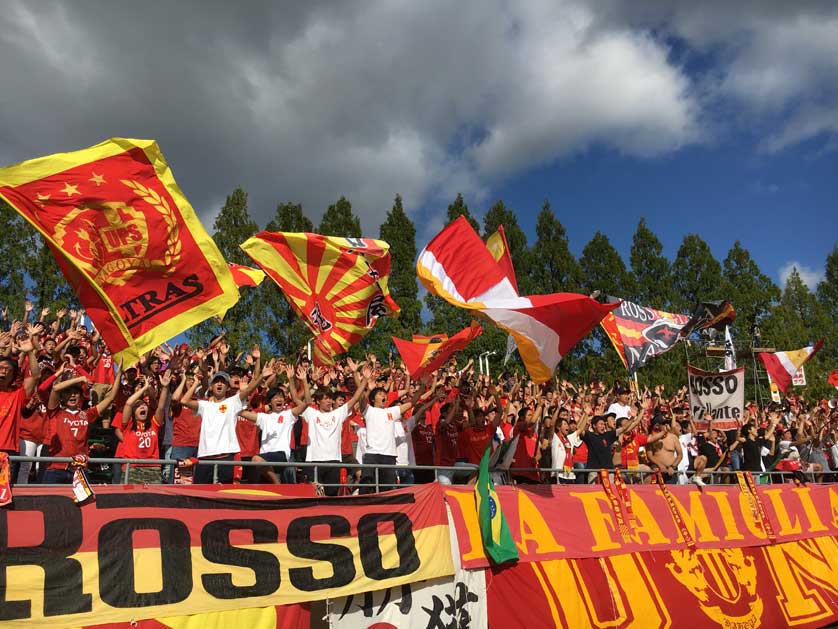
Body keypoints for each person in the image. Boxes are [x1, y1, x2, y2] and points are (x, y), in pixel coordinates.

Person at [179, 346, 264, 484]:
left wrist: (259, 366)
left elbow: (251, 387)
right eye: (216, 382)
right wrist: (196, 383)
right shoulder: (204, 405)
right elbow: (184, 400)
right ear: (211, 387)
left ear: (228, 387)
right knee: (202, 494)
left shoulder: (233, 402)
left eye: (223, 382)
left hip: (227, 456)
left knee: (227, 493)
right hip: (205, 456)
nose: (219, 384)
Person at [299, 360, 367, 495]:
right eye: (325, 398)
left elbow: (356, 397)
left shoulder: (338, 413)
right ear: (318, 401)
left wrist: (363, 378)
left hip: (334, 461)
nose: (329, 401)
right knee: (315, 494)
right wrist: (303, 381)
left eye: (330, 398)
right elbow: (300, 400)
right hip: (315, 460)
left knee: (330, 494)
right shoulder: (311, 413)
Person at [359, 364, 425, 493]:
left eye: (384, 394)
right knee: (366, 487)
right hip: (372, 455)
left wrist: (422, 386)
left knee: (387, 490)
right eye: (379, 394)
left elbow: (412, 402)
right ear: (373, 399)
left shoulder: (392, 411)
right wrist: (365, 380)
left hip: (389, 456)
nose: (384, 396)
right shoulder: (368, 410)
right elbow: (360, 398)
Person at [43, 372, 118, 483]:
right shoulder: (55, 412)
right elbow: (55, 389)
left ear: (81, 396)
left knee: (83, 500)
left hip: (80, 469)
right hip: (56, 468)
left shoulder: (87, 414)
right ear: (62, 396)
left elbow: (111, 397)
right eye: (68, 392)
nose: (72, 395)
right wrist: (79, 379)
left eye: (76, 393)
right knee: (49, 500)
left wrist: (119, 373)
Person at [238, 365, 306, 484]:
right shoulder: (264, 417)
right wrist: (244, 392)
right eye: (275, 397)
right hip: (264, 459)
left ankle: (277, 484)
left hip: (281, 455)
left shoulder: (288, 415)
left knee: (255, 459)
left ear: (284, 401)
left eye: (281, 397)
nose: (279, 399)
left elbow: (307, 403)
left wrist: (294, 379)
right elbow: (240, 412)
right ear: (270, 401)